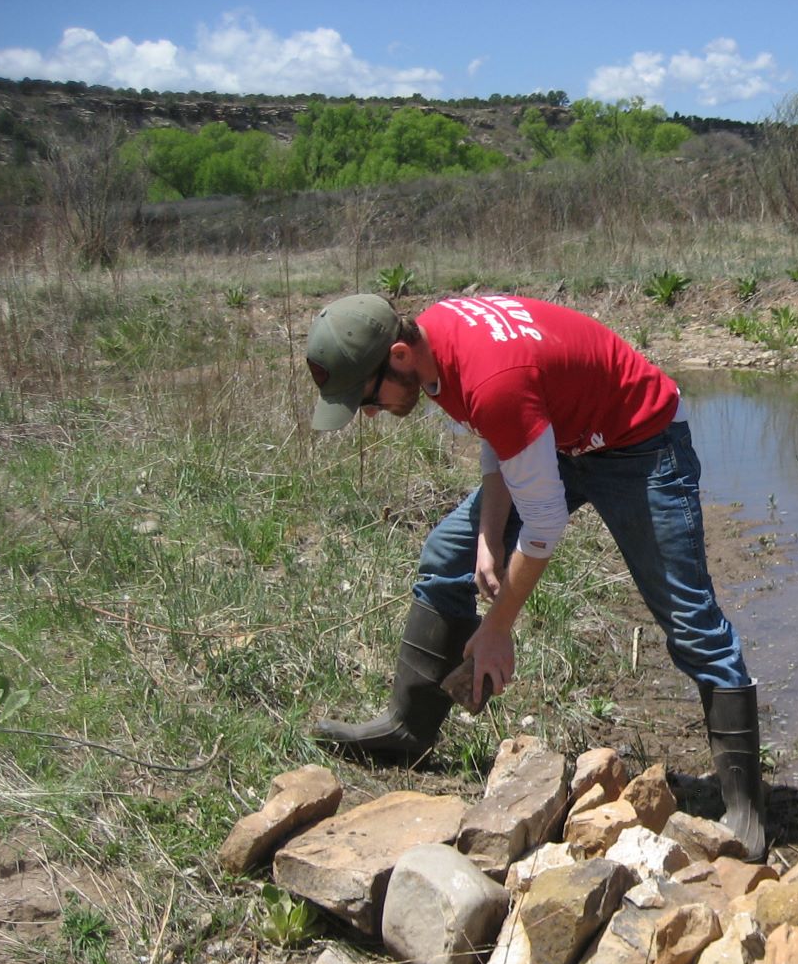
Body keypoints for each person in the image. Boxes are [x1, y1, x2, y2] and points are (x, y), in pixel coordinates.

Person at [302, 292, 765, 858]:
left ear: (398, 355)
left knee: (691, 620)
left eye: (367, 396)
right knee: (448, 556)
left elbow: (544, 524)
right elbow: (501, 434)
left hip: (642, 443)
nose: (369, 413)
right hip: (563, 438)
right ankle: (407, 728)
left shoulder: (487, 372)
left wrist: (497, 628)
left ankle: (744, 807)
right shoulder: (435, 348)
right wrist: (487, 534)